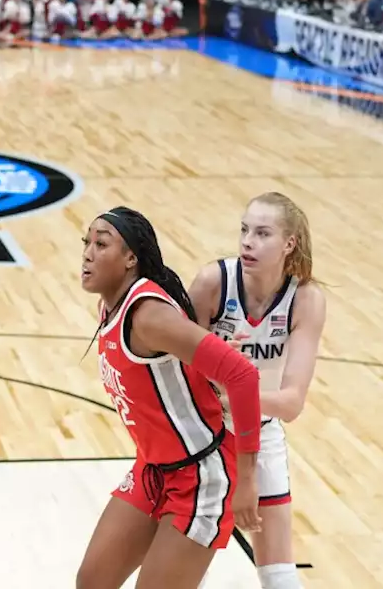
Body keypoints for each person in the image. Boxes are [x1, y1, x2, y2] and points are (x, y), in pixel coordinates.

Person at [76, 206, 264, 589]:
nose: (88, 253)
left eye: (101, 243)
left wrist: (246, 480)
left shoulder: (147, 317)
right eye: (86, 243)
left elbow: (243, 376)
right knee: (93, 581)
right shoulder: (110, 306)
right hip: (153, 469)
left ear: (131, 258)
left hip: (200, 477)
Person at [188, 193, 325, 589]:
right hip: (201, 433)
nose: (247, 241)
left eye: (262, 233)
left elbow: (292, 402)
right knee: (178, 566)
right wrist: (215, 380)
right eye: (245, 230)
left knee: (280, 574)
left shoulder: (305, 299)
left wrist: (236, 391)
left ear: (289, 244)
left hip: (261, 432)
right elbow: (177, 370)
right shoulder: (213, 282)